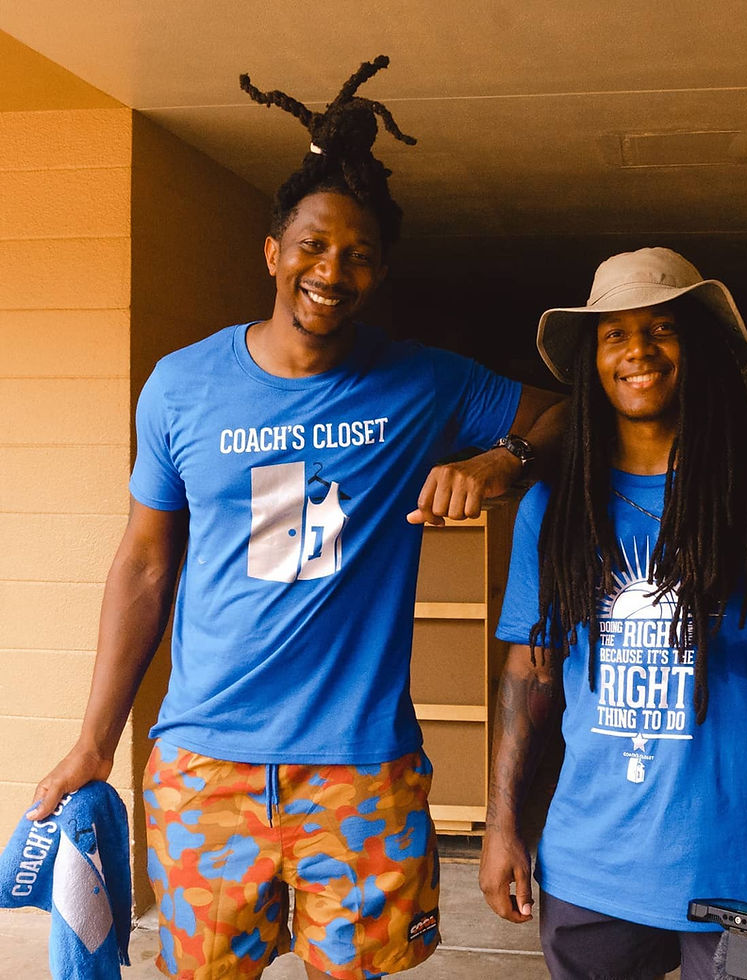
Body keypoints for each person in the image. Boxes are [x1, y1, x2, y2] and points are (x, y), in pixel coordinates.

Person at [26, 57, 562, 980]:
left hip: (362, 771)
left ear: (380, 270)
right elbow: (146, 565)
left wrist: (497, 461)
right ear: (272, 251)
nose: (332, 270)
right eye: (313, 245)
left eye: (358, 254)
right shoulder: (182, 386)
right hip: (204, 769)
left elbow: (562, 415)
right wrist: (93, 742)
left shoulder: (423, 381)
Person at [479, 247, 747, 980]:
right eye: (614, 334)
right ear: (593, 360)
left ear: (700, 347)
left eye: (662, 328)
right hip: (590, 869)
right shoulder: (555, 507)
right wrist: (501, 827)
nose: (638, 352)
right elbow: (530, 671)